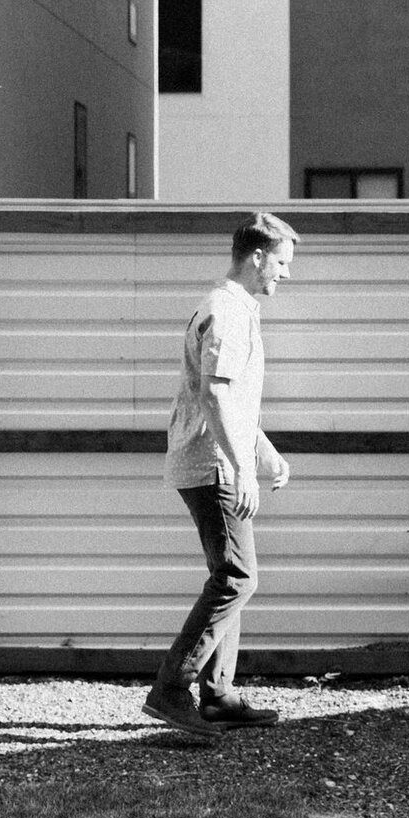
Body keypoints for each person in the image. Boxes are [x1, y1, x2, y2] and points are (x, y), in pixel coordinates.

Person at [144, 211, 299, 740]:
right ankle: (172, 689)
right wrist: (240, 467)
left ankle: (219, 696)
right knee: (237, 577)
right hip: (210, 466)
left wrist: (266, 455)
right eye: (281, 262)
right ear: (257, 257)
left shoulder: (235, 309)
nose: (285, 272)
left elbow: (231, 402)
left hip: (215, 460)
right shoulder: (228, 312)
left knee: (230, 577)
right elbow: (214, 393)